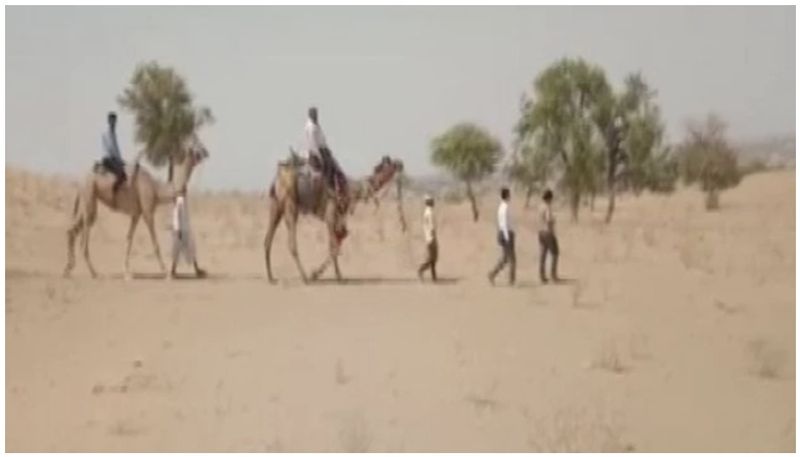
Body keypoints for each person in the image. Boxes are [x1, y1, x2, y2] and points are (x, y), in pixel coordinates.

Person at [304, 106, 348, 211]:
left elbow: (322, 140)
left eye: (316, 113)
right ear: (310, 115)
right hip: (315, 152)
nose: (316, 115)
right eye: (314, 114)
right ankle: (328, 191)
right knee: (327, 166)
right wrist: (320, 156)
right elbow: (312, 143)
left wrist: (327, 150)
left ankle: (335, 189)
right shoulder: (310, 127)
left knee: (335, 166)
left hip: (322, 150)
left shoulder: (316, 125)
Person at [169, 189, 206, 279]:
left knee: (188, 250)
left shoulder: (180, 200)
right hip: (182, 230)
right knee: (181, 250)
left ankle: (195, 269)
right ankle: (172, 271)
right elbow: (178, 215)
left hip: (182, 229)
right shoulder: (180, 200)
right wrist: (179, 230)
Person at [488, 187, 515, 286]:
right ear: (507, 195)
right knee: (511, 258)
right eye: (509, 194)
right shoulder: (504, 208)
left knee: (505, 258)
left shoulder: (502, 207)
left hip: (504, 232)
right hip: (506, 233)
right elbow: (504, 223)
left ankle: (493, 274)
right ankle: (511, 280)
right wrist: (507, 237)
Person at [101, 111, 126, 205]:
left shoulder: (114, 134)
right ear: (109, 121)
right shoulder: (106, 134)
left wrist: (121, 160)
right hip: (108, 159)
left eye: (115, 121)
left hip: (114, 158)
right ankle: (112, 195)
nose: (113, 123)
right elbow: (111, 148)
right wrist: (118, 160)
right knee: (121, 174)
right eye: (112, 121)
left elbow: (117, 149)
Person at [539, 189, 560, 283]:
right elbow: (548, 220)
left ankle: (542, 276)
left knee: (543, 254)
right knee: (555, 253)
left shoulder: (540, 206)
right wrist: (553, 221)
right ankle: (553, 275)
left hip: (540, 232)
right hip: (548, 232)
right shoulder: (547, 207)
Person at [417, 195, 438, 282]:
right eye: (432, 201)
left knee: (432, 258)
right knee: (432, 258)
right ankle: (421, 270)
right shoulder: (430, 212)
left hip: (428, 237)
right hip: (431, 237)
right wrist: (433, 237)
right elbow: (432, 226)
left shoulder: (426, 212)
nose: (434, 202)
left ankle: (434, 276)